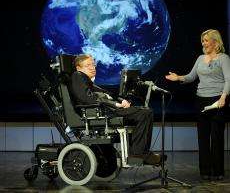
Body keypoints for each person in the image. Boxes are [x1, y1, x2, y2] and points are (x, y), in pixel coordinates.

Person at [70, 54, 163, 165]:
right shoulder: (77, 76)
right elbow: (88, 98)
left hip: (108, 110)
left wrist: (121, 101)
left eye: (93, 65)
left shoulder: (87, 81)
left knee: (144, 112)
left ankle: (141, 152)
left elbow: (107, 94)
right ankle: (138, 153)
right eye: (88, 65)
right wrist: (115, 104)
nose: (92, 67)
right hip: (100, 113)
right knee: (144, 113)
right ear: (78, 68)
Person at [165, 29, 230, 180]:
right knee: (203, 137)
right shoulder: (201, 58)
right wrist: (178, 77)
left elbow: (228, 79)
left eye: (206, 40)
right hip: (201, 100)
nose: (203, 43)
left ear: (215, 42)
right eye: (203, 41)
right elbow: (191, 76)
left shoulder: (223, 58)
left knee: (216, 137)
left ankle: (218, 171)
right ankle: (205, 171)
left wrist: (223, 97)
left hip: (217, 101)